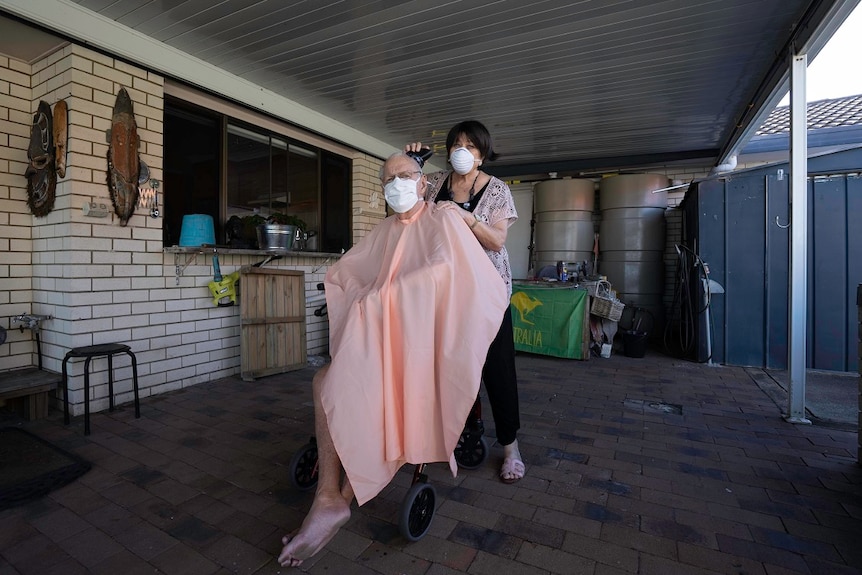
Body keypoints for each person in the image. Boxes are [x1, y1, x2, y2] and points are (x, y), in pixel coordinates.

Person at [278, 152, 508, 568]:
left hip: (425, 346)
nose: (396, 184)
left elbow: (447, 272)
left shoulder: (445, 219)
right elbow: (352, 270)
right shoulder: (385, 229)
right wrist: (351, 291)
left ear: (423, 183)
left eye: (405, 176)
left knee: (387, 398)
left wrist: (387, 296)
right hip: (381, 339)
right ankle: (329, 496)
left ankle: (336, 500)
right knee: (326, 383)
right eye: (388, 180)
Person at [406, 119, 524, 484]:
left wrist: (468, 218)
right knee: (444, 364)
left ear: (482, 153)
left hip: (486, 293)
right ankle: (452, 430)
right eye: (457, 144)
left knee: (497, 369)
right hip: (442, 291)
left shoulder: (497, 189)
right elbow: (408, 214)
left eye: (470, 146)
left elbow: (497, 241)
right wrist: (413, 165)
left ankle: (511, 447)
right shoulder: (438, 182)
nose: (462, 150)